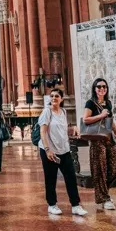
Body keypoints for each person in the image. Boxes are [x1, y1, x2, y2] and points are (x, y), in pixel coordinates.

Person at [38, 88, 87, 216]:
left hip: (64, 150)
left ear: (61, 99)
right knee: (51, 178)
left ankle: (76, 205)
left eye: (56, 96)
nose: (54, 98)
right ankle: (52, 205)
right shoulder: (47, 112)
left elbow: (63, 130)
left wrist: (73, 129)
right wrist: (47, 150)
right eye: (52, 96)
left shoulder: (63, 112)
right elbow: (43, 131)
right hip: (49, 150)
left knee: (71, 177)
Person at [83, 78, 116, 210]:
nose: (102, 89)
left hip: (109, 138)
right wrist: (101, 115)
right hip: (97, 140)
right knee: (100, 169)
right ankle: (105, 198)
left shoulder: (108, 103)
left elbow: (111, 122)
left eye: (104, 86)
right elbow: (85, 120)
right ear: (94, 89)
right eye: (99, 86)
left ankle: (103, 193)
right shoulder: (90, 103)